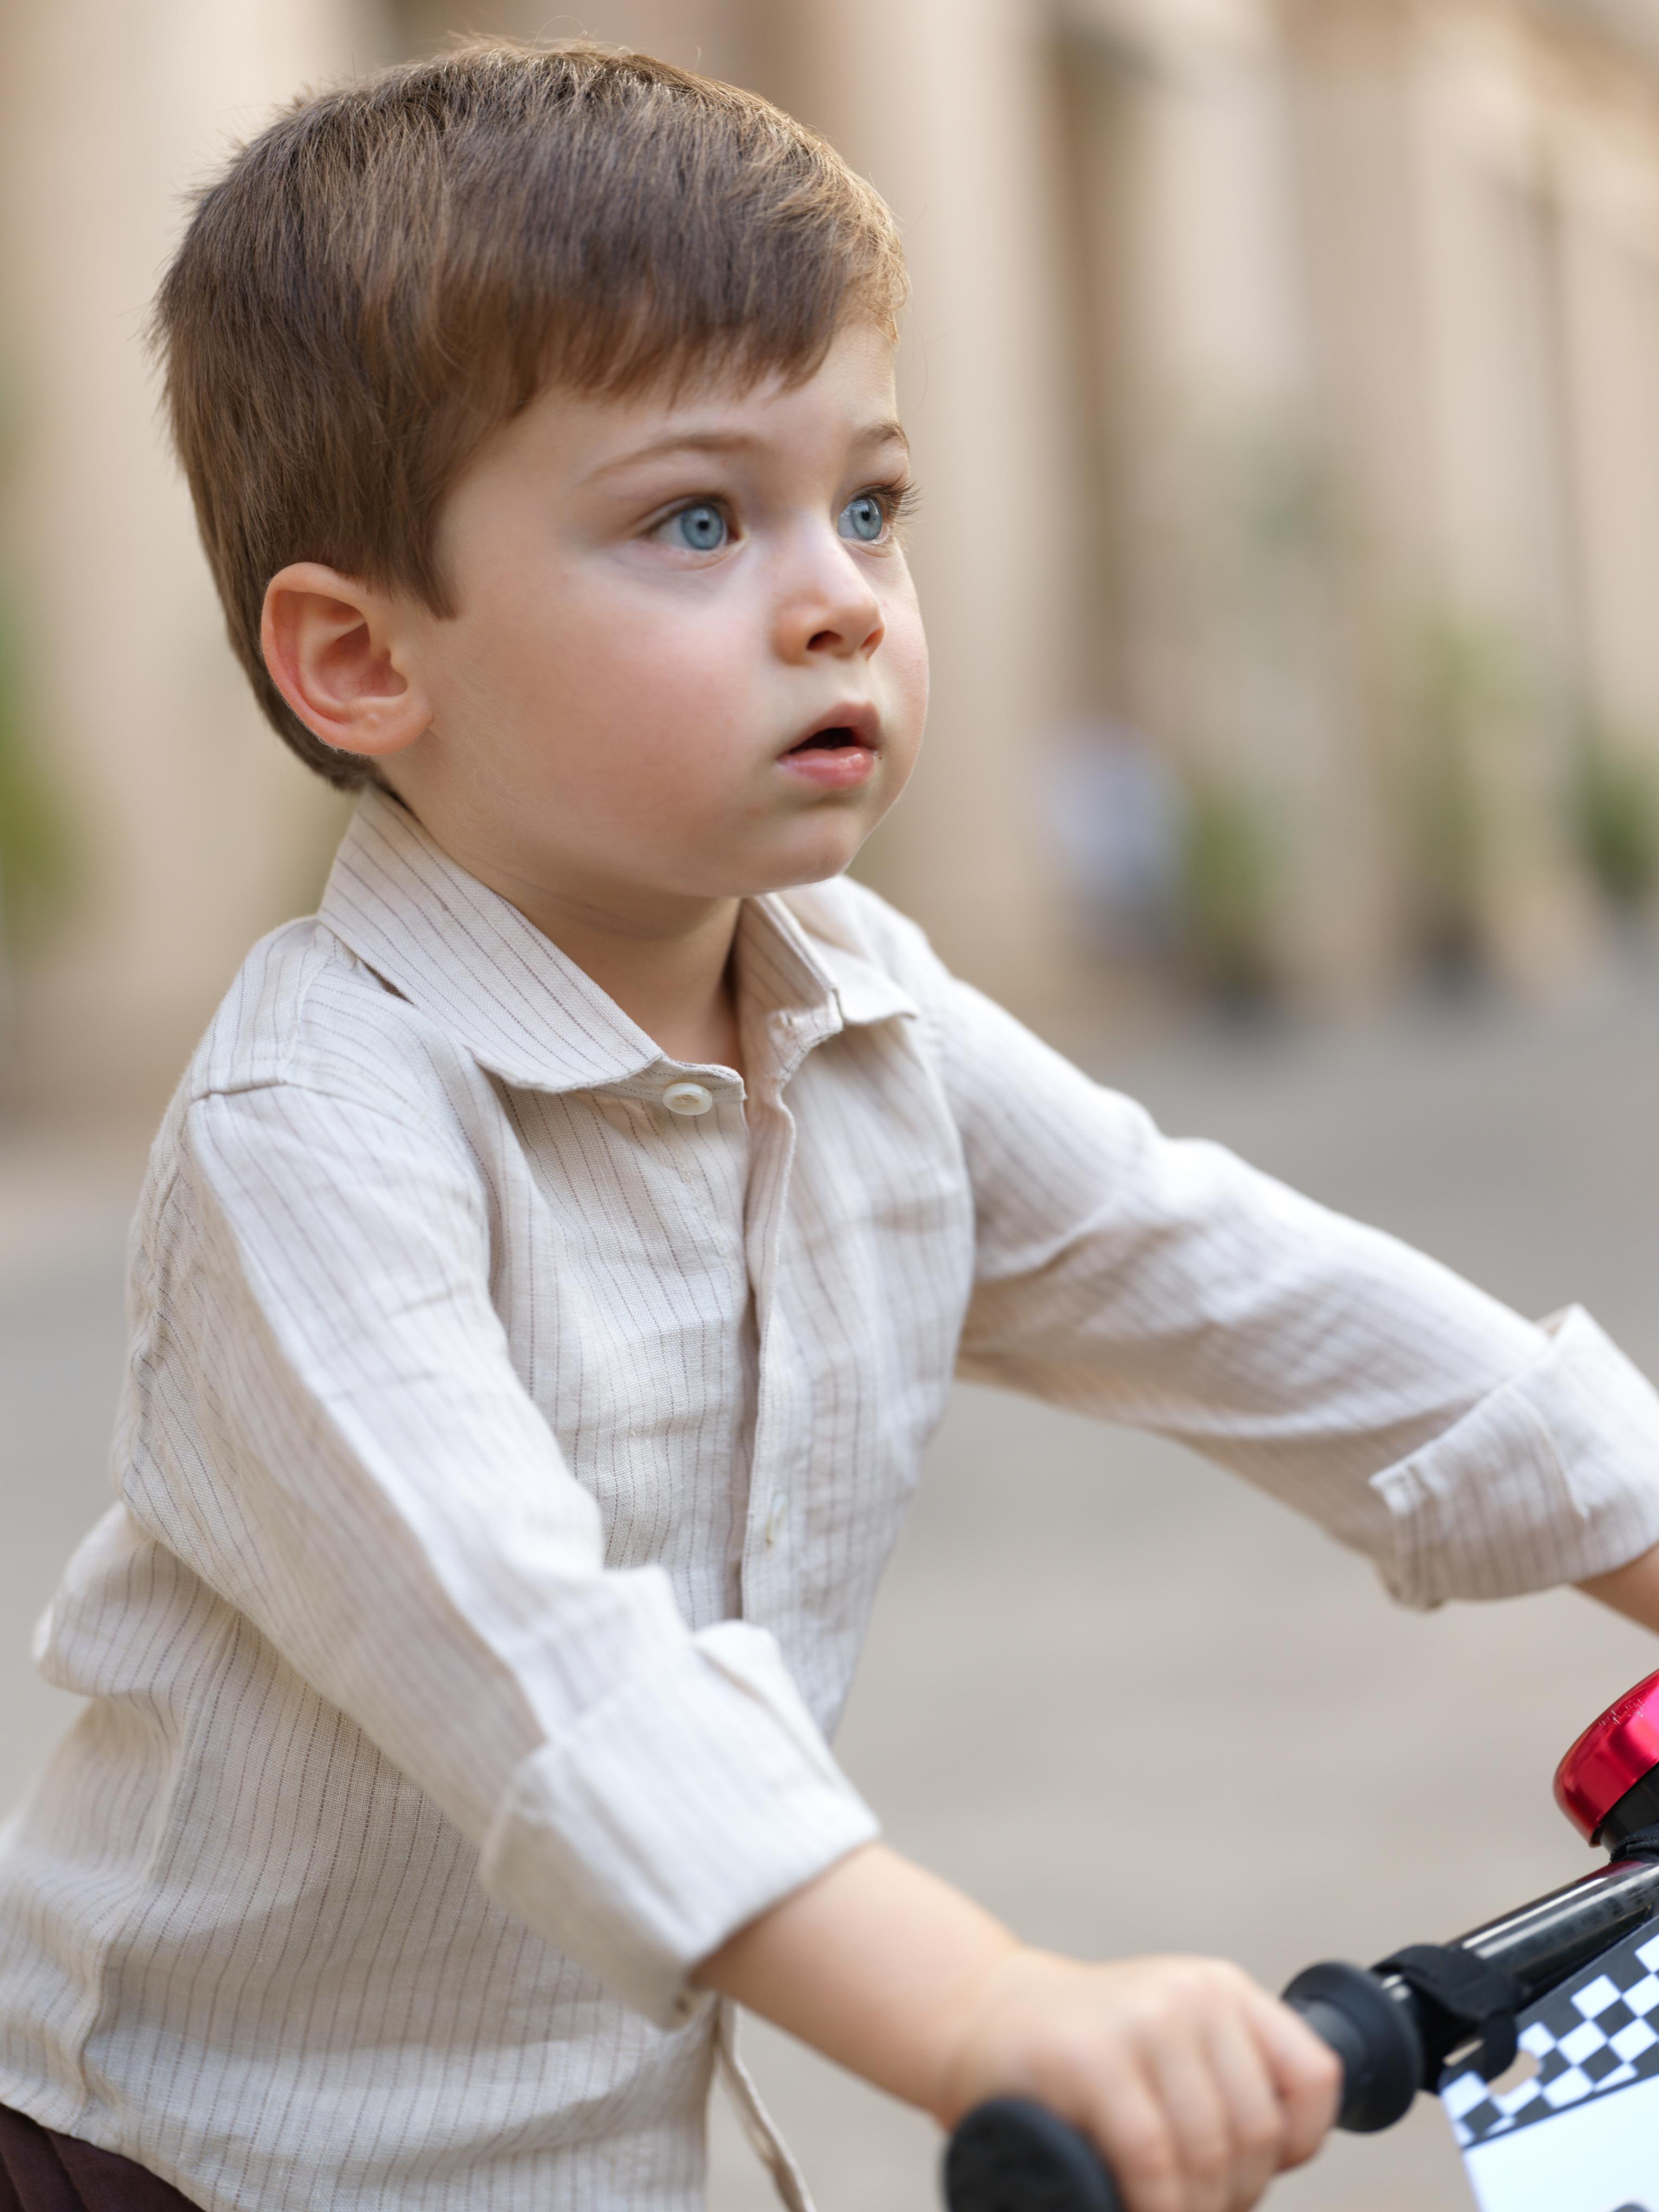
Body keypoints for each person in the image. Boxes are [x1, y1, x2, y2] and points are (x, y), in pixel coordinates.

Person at [3, 40, 1659, 2212]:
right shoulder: (314, 1138)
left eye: (869, 502)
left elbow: (1259, 1299)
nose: (838, 594)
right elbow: (555, 1696)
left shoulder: (873, 1020)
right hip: (188, 2170)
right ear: (356, 660)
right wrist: (986, 2012)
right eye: (699, 520)